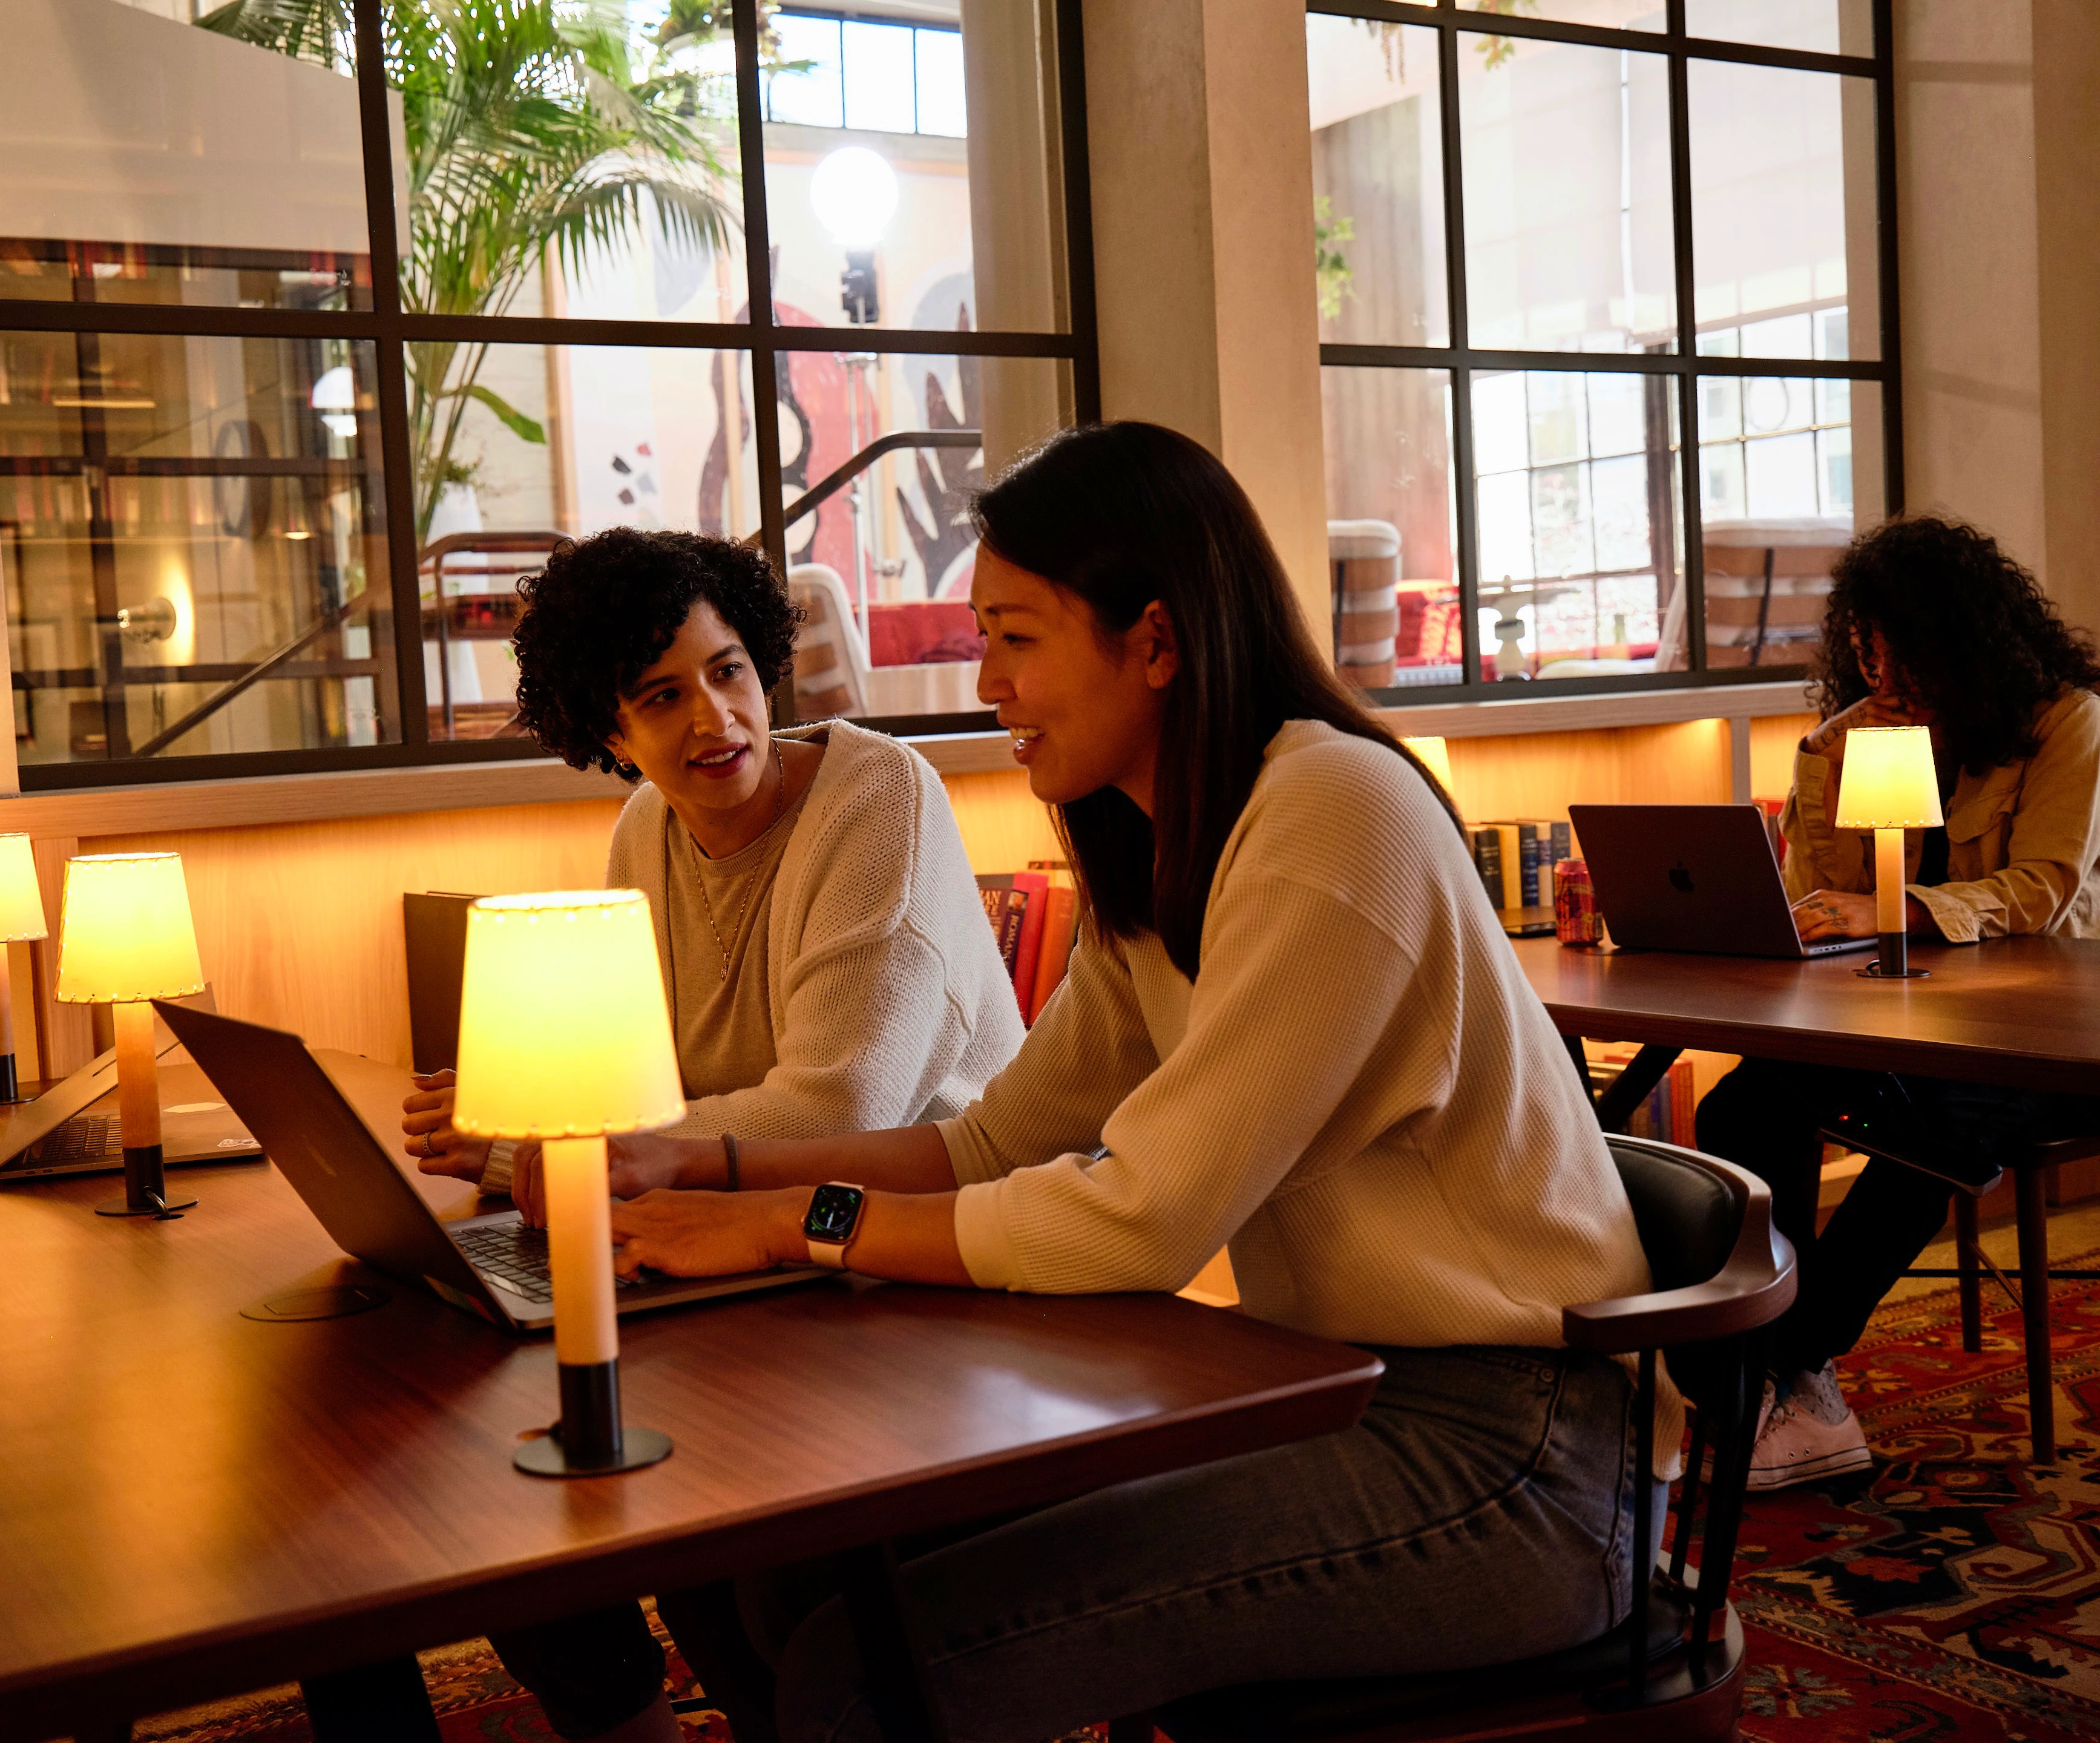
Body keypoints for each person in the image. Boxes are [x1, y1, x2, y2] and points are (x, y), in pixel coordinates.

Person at [584, 421, 1673, 1742]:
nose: (986, 681)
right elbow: (992, 1148)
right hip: (1324, 1390)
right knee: (798, 1575)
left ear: (1154, 642)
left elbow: (1142, 1215)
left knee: (863, 1676)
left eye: (1015, 637)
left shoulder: (1336, 813)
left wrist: (792, 1222)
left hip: (1512, 1460)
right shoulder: (1166, 849)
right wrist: (702, 1164)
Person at [303, 526, 1023, 1743]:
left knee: (636, 1471)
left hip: (907, 1249)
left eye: (730, 669)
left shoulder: (877, 798)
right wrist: (522, 1127)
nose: (715, 719)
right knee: (498, 1451)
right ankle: (624, 1718)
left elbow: (843, 1107)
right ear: (610, 734)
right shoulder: (646, 830)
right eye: (661, 697)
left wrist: (590, 1144)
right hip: (740, 1251)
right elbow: (647, 1095)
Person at [1695, 514, 2100, 1491]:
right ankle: (1775, 1376)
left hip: (2046, 1036)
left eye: (1899, 639)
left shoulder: (2064, 723)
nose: (1877, 664)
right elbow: (1815, 902)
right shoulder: (1843, 746)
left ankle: (1790, 1365)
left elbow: (2045, 887)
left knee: (1929, 1129)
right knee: (1740, 1108)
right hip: (1895, 1024)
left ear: (1961, 632)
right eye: (1862, 639)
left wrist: (1901, 907)